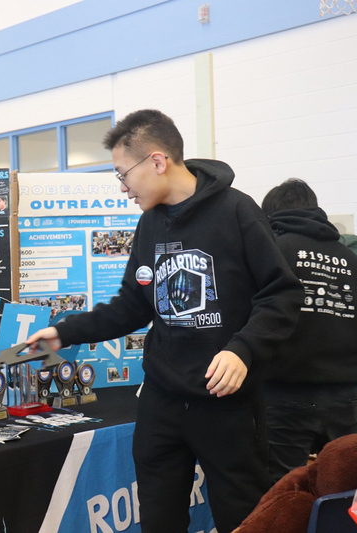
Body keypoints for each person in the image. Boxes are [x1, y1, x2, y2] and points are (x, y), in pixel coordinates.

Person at [26, 109, 302, 533]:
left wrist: (243, 350)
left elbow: (281, 294)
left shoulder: (237, 211)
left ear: (157, 161)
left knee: (242, 515)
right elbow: (132, 306)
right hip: (162, 400)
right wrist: (64, 331)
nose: (123, 189)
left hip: (225, 403)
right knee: (158, 515)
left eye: (123, 174)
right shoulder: (149, 224)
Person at [260, 178, 357, 482]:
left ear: (270, 216)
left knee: (286, 487)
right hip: (347, 392)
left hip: (287, 389)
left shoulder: (273, 252)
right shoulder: (351, 258)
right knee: (346, 481)